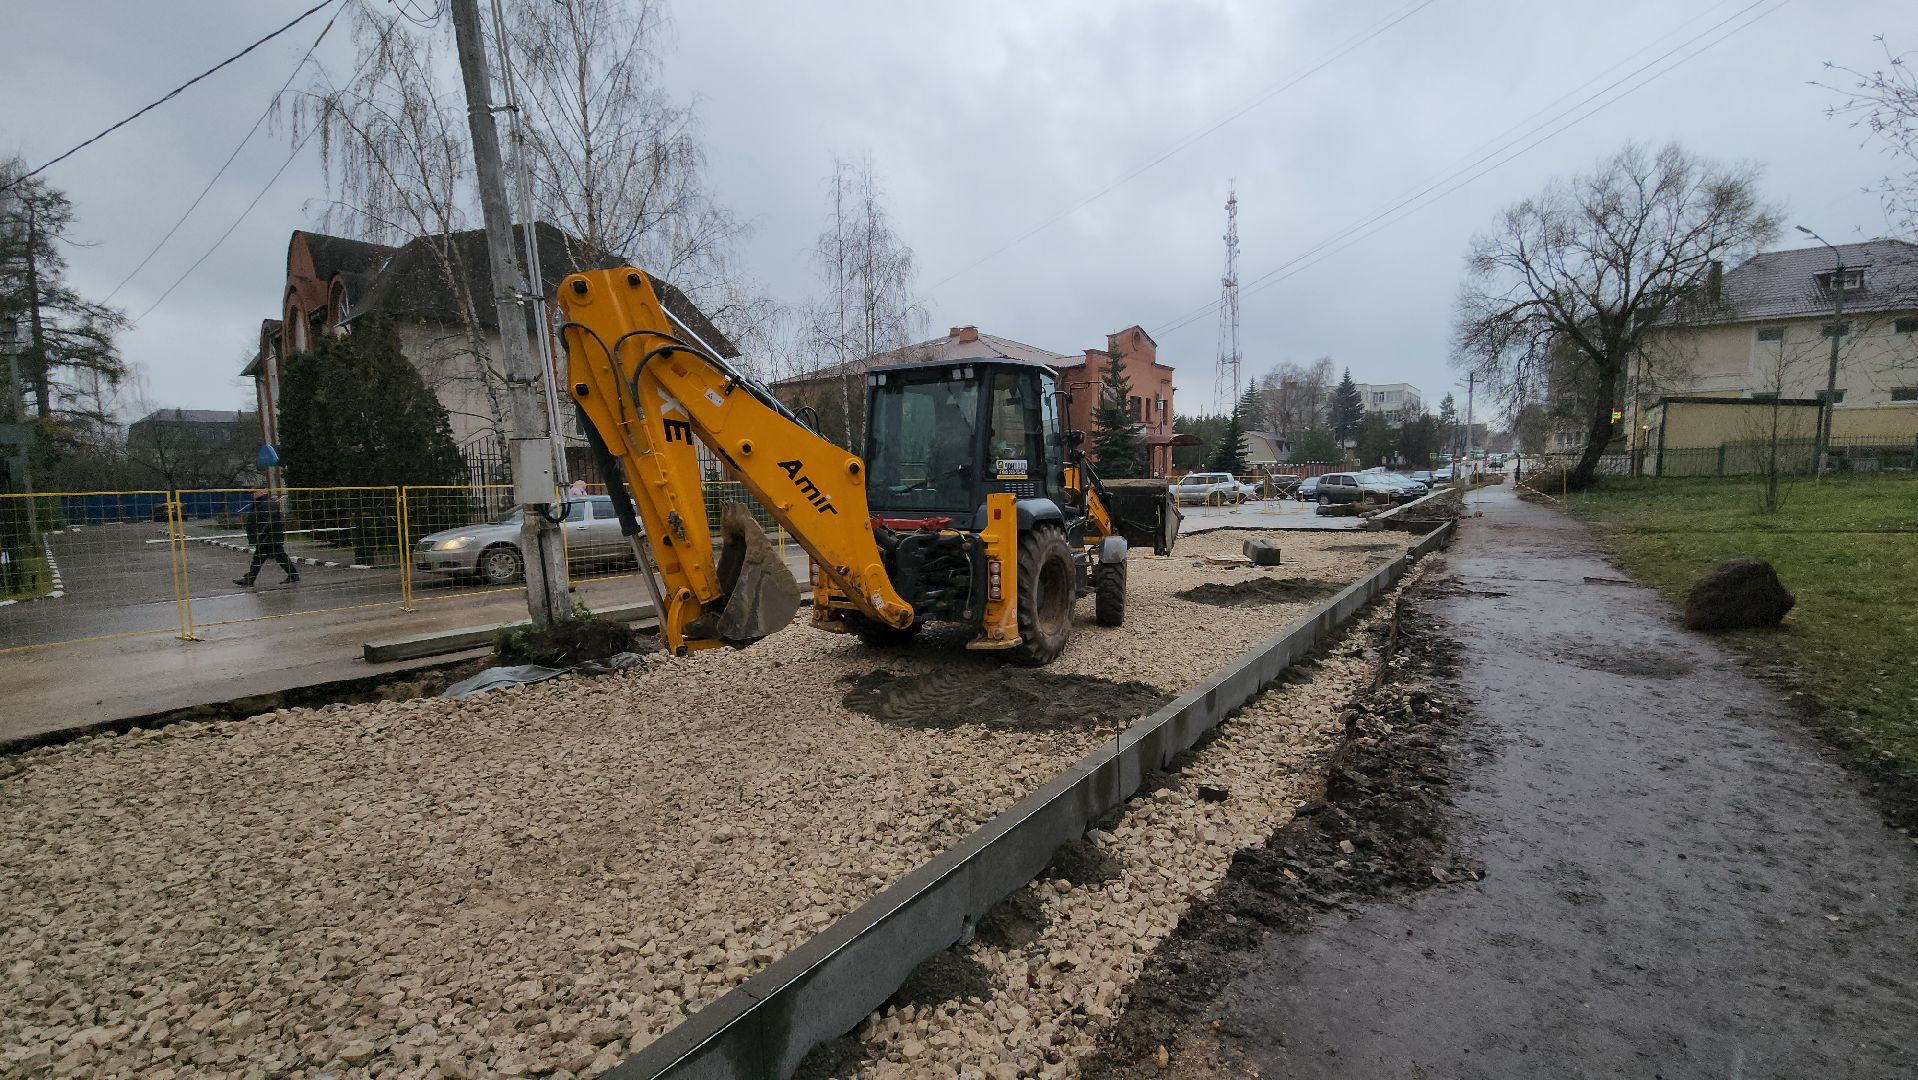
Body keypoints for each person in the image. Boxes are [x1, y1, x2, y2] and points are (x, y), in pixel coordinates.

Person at [234, 489, 299, 587]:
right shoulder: (260, 504)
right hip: (267, 538)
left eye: (254, 493)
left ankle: (250, 579)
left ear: (263, 492)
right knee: (260, 558)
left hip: (269, 538)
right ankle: (250, 579)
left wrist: (262, 534)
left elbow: (270, 522)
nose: (253, 495)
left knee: (278, 557)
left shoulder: (267, 504)